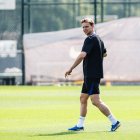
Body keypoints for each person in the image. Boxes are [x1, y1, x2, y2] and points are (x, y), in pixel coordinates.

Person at [65, 17, 120, 132]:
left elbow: (82, 55)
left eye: (87, 26)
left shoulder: (90, 39)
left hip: (92, 75)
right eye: (83, 27)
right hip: (90, 75)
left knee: (95, 101)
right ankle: (80, 125)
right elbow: (104, 54)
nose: (84, 29)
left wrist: (71, 68)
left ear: (92, 26)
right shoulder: (98, 39)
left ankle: (114, 121)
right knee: (83, 98)